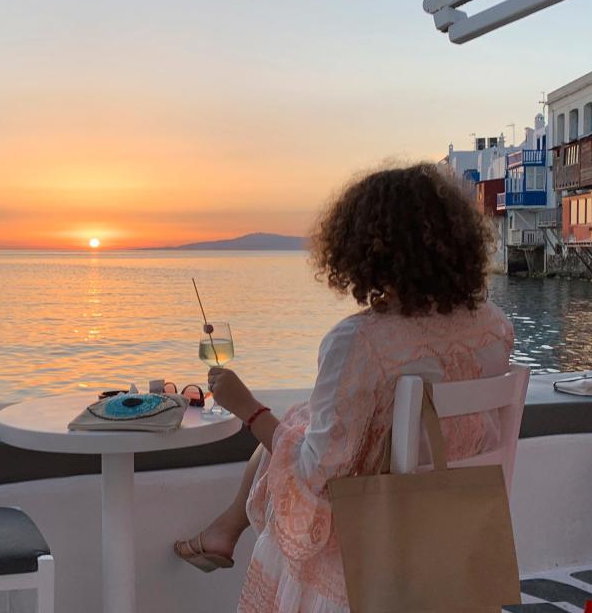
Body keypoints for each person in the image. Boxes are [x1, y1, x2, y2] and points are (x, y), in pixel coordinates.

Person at [173, 163, 514, 612]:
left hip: (370, 542)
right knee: (302, 418)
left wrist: (248, 409)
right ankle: (225, 528)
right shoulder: (494, 326)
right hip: (454, 531)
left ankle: (225, 529)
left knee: (291, 433)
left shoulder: (359, 341)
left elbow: (318, 475)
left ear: (363, 250)